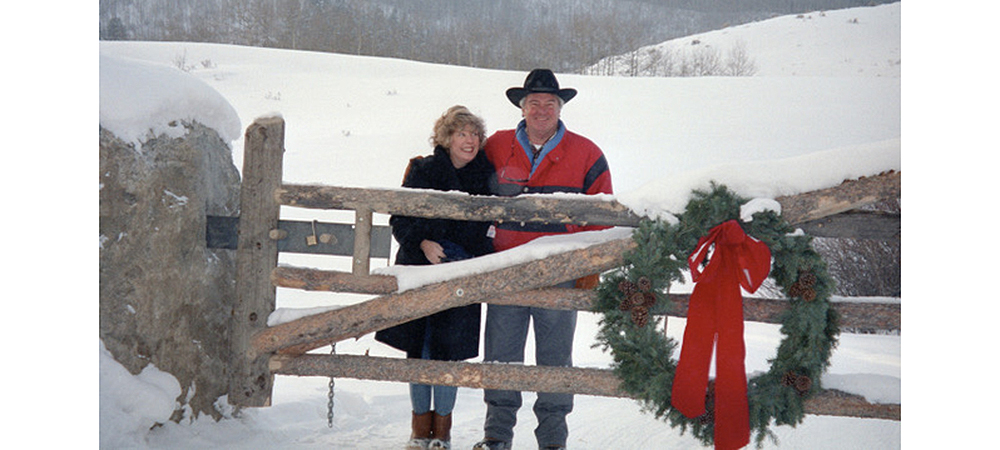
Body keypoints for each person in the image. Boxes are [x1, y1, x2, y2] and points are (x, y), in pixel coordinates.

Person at [473, 69, 613, 450]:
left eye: (549, 103)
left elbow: (603, 215)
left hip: (560, 273)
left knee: (554, 360)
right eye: (533, 102)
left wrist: (588, 265)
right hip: (506, 271)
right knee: (501, 357)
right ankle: (497, 437)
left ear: (560, 108)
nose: (541, 110)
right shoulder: (496, 147)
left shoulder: (587, 152)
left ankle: (553, 440)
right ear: (521, 108)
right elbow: (463, 177)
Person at [375, 105, 497, 450]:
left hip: (461, 273)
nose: (469, 141)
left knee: (448, 352)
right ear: (446, 137)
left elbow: (489, 227)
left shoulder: (486, 175)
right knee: (420, 349)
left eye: (474, 134)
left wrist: (469, 256)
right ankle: (418, 431)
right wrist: (424, 243)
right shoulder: (422, 170)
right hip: (419, 269)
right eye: (462, 133)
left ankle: (441, 434)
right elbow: (400, 218)